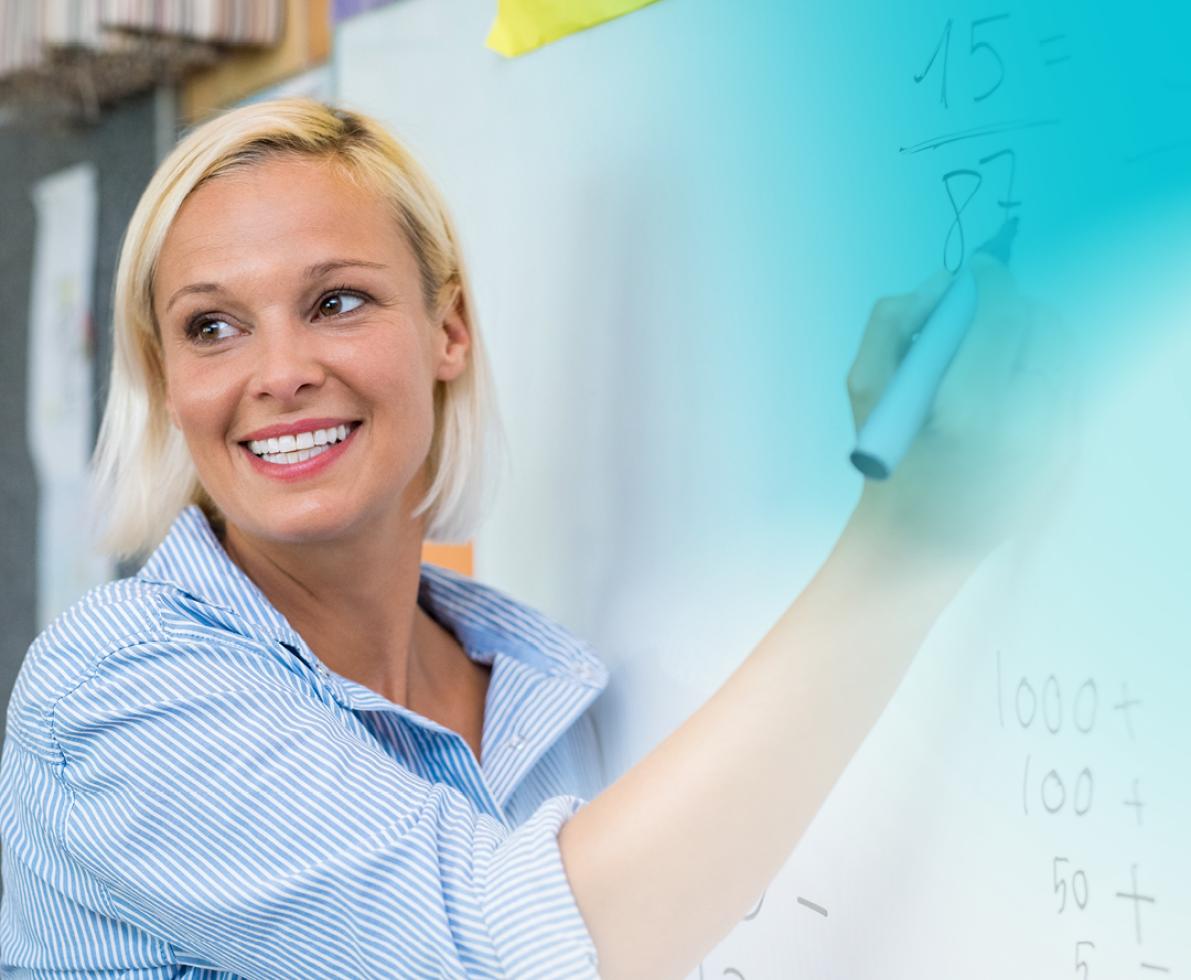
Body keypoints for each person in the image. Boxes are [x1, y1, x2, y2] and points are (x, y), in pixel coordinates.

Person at [0, 99, 1063, 978]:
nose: (278, 372)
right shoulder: (113, 689)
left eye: (336, 301)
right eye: (212, 327)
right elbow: (506, 957)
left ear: (449, 330)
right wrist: (910, 537)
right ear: (168, 381)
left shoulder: (544, 686)